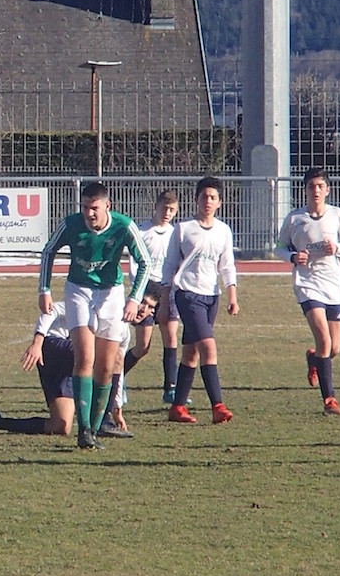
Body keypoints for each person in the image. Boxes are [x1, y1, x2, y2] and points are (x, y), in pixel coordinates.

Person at [37, 181, 151, 450]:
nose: (89, 213)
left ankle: (96, 427)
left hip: (111, 293)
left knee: (106, 366)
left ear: (107, 206)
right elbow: (48, 251)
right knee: (85, 357)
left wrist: (134, 299)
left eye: (95, 208)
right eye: (85, 207)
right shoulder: (71, 224)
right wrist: (44, 289)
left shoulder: (124, 225)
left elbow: (145, 262)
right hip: (78, 290)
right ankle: (84, 430)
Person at [0, 292, 157, 437]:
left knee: (61, 426)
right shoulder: (103, 307)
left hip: (68, 365)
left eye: (151, 308)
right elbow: (54, 309)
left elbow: (116, 372)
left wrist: (118, 409)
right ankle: (101, 422)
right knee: (100, 354)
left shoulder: (123, 333)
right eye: (143, 302)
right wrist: (37, 342)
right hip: (54, 346)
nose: (144, 310)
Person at [274, 168, 340, 415]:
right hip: (307, 284)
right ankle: (329, 400)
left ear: (327, 190)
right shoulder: (294, 218)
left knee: (334, 348)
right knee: (324, 341)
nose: (316, 190)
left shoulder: (337, 215)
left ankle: (314, 360)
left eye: (320, 186)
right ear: (305, 190)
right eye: (311, 186)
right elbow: (278, 247)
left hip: (333, 284)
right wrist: (292, 256)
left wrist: (337, 248)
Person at [162, 176, 239, 425]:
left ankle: (177, 407)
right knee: (208, 346)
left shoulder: (223, 231)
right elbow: (169, 265)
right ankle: (217, 405)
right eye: (204, 196)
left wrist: (232, 295)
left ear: (220, 202)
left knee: (191, 352)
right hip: (187, 293)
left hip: (211, 296)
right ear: (196, 199)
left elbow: (227, 265)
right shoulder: (183, 229)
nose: (208, 201)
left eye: (213, 197)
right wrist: (164, 298)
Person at [122, 189, 187, 405]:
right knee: (143, 346)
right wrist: (140, 293)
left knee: (171, 338)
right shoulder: (142, 231)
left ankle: (171, 389)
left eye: (172, 210)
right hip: (146, 293)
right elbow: (135, 266)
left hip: (167, 291)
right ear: (156, 207)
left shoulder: (175, 234)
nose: (167, 213)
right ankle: (116, 376)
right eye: (164, 208)